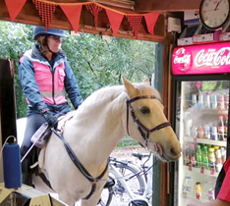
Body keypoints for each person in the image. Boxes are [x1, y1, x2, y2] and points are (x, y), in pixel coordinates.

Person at [19, 26, 83, 186]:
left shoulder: (62, 59)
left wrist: (81, 109)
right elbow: (30, 89)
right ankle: (25, 186)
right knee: (27, 146)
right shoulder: (28, 59)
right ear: (43, 39)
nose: (59, 42)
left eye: (60, 39)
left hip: (63, 110)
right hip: (39, 112)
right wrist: (44, 111)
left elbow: (72, 87)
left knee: (86, 135)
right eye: (56, 38)